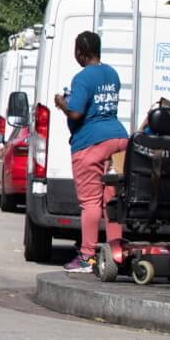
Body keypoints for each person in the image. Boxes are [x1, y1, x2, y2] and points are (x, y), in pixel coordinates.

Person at [54, 31, 130, 273]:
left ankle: (87, 257)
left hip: (91, 143)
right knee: (113, 201)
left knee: (90, 203)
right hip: (118, 139)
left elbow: (76, 113)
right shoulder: (113, 74)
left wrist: (61, 103)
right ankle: (117, 253)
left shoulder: (82, 78)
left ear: (80, 52)